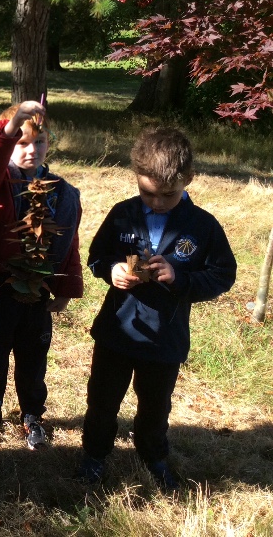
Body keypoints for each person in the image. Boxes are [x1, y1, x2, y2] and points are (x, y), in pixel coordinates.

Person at [77, 127, 236, 489]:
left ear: (188, 179)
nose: (158, 202)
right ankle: (94, 455)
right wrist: (111, 270)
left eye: (168, 194)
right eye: (148, 192)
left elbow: (222, 275)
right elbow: (97, 256)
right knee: (102, 399)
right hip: (117, 331)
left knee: (155, 405)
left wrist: (180, 278)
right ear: (136, 176)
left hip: (165, 337)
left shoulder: (202, 226)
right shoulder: (123, 214)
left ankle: (153, 457)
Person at [0, 101, 83, 450]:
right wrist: (10, 127)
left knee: (34, 354)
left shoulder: (63, 192)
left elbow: (70, 242)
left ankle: (32, 413)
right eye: (21, 142)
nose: (31, 150)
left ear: (50, 143)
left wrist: (66, 288)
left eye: (39, 142)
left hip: (39, 290)